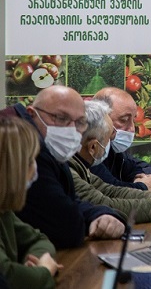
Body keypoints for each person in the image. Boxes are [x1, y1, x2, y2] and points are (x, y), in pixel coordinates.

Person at [0, 86, 126, 249]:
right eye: (60, 118)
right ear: (32, 114)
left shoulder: (52, 149)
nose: (70, 129)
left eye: (80, 122)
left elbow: (69, 201)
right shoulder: (27, 150)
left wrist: (97, 214)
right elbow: (67, 229)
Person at [68, 100, 151, 223]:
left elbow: (109, 190)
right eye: (109, 138)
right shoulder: (68, 168)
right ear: (93, 147)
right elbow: (105, 204)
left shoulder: (79, 164)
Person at [0, 117, 62, 288]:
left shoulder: (4, 211)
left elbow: (38, 240)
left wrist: (35, 267)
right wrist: (44, 270)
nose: (35, 167)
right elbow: (8, 277)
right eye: (31, 160)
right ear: (14, 168)